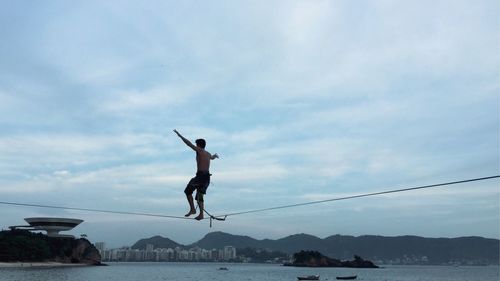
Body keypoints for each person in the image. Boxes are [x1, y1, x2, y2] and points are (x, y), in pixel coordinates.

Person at [173, 129, 219, 220]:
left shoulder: (200, 151)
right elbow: (212, 158)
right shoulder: (208, 153)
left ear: (198, 145)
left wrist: (179, 135)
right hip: (206, 178)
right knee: (199, 196)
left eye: (196, 144)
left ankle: (193, 209)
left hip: (200, 176)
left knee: (187, 191)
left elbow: (188, 143)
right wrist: (215, 156)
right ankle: (201, 214)